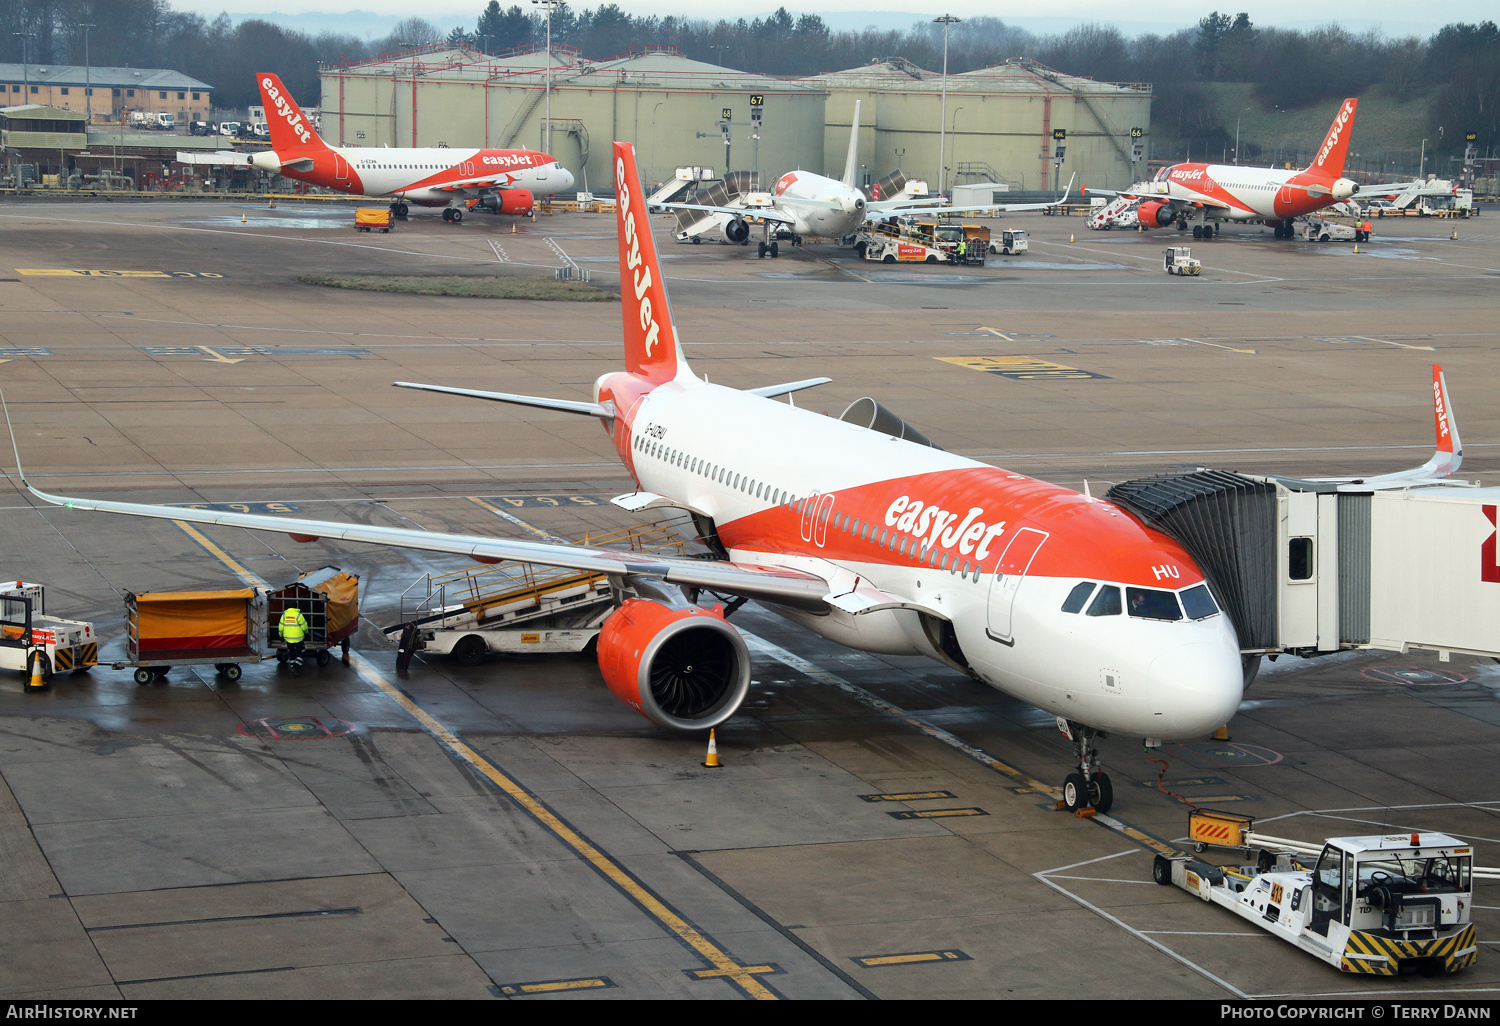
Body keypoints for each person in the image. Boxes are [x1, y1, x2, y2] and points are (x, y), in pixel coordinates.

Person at [279, 604, 309, 672]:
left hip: (288, 639)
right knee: (301, 652)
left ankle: (292, 666)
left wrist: (280, 635)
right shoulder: (298, 615)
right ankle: (296, 666)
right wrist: (306, 632)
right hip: (298, 638)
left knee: (291, 652)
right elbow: (304, 626)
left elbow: (280, 627)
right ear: (296, 607)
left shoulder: (284, 615)